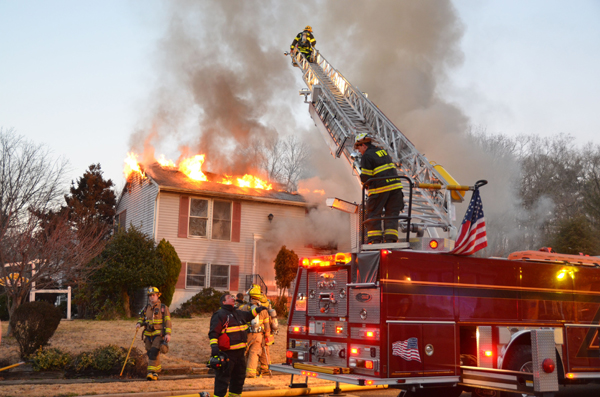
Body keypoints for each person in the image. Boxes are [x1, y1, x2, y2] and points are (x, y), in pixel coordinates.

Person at [208, 293, 267, 397]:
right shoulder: (220, 314)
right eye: (229, 297)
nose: (232, 298)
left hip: (240, 354)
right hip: (227, 354)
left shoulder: (238, 313)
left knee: (238, 379)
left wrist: (258, 310)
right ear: (223, 302)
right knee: (222, 380)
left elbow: (249, 315)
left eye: (232, 297)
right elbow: (213, 333)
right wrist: (214, 348)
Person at [354, 133, 404, 243]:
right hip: (396, 189)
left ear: (364, 145)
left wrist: (365, 183)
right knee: (391, 214)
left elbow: (366, 177)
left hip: (380, 189)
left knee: (372, 214)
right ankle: (390, 239)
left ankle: (375, 240)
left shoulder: (367, 156)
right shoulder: (383, 152)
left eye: (358, 148)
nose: (359, 151)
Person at [137, 286, 172, 381]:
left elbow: (168, 321)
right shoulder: (146, 308)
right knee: (150, 353)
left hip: (158, 335)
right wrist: (139, 323)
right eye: (150, 296)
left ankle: (150, 372)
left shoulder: (163, 308)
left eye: (153, 295)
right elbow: (142, 318)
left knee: (154, 351)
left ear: (157, 296)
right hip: (148, 335)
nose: (151, 297)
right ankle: (156, 372)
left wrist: (168, 334)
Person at [238, 285, 271, 378]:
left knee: (244, 353)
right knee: (254, 353)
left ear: (251, 297)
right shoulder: (264, 310)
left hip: (246, 335)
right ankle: (250, 373)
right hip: (258, 336)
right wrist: (267, 337)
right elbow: (267, 326)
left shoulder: (244, 307)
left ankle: (241, 372)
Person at [257, 294, 277, 377]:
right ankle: (266, 369)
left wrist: (266, 335)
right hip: (269, 335)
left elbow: (266, 325)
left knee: (264, 353)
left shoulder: (263, 312)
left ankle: (265, 370)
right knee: (266, 353)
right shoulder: (269, 311)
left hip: (264, 334)